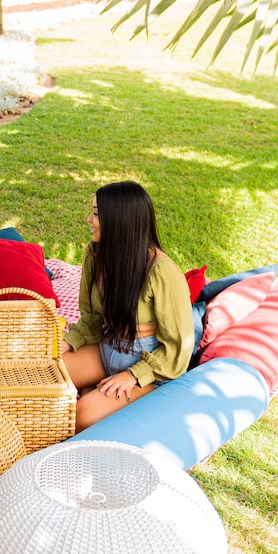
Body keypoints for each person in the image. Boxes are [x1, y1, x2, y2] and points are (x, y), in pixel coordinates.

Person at [61, 180, 194, 431]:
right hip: (107, 345)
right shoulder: (95, 254)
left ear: (119, 221)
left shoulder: (162, 271)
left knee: (82, 417)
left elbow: (178, 347)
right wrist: (71, 341)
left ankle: (97, 391)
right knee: (43, 377)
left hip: (148, 363)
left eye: (96, 214)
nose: (89, 220)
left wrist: (134, 375)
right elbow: (91, 315)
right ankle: (96, 386)